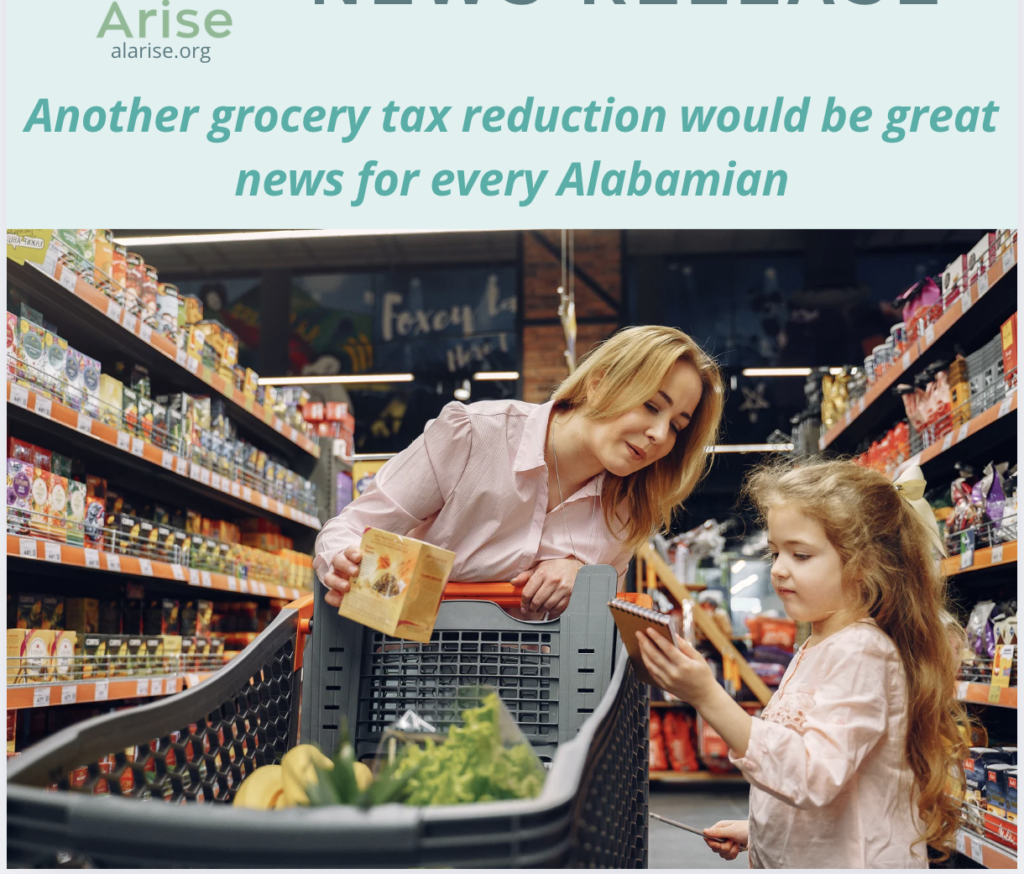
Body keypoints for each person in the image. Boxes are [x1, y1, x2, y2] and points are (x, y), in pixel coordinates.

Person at [637, 458, 968, 869]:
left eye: (801, 555)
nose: (778, 569)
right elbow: (821, 774)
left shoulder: (862, 652)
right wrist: (760, 830)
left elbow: (814, 775)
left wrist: (707, 697)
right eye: (776, 552)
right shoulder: (820, 643)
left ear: (865, 566)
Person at [314, 325, 724, 619]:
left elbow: (595, 636)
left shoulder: (627, 510)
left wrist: (585, 580)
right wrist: (348, 567)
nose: (658, 434)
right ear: (599, 384)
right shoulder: (474, 435)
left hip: (533, 703)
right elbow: (348, 529)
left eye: (677, 426)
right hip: (404, 680)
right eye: (652, 406)